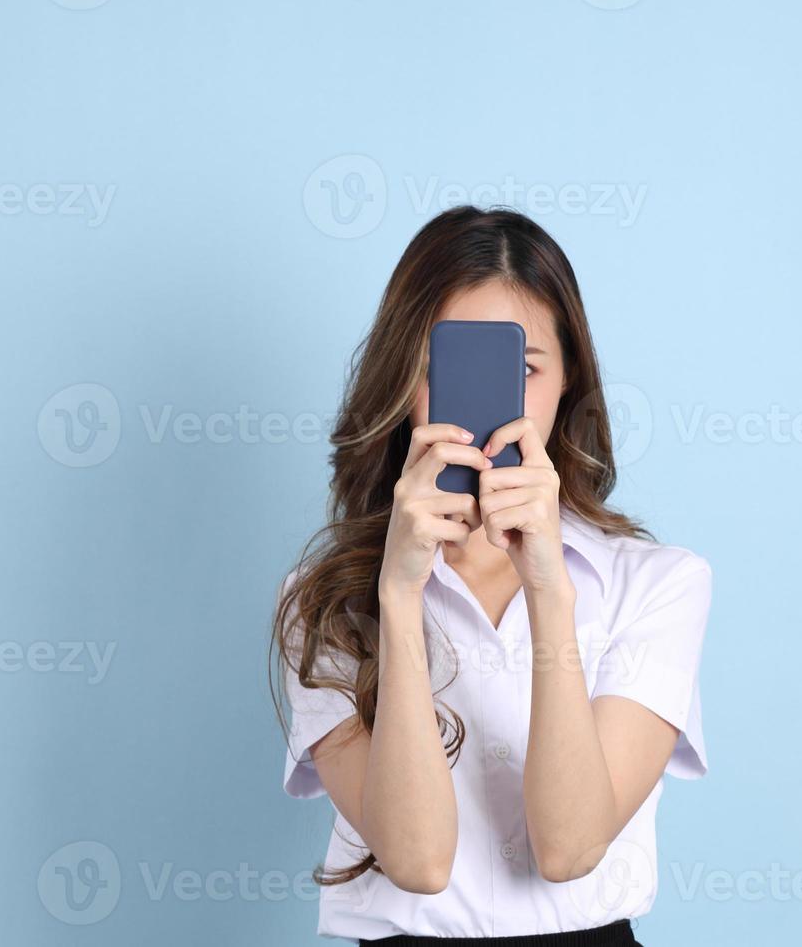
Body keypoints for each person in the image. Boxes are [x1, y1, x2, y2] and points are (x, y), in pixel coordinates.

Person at [273, 206, 712, 945]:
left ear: (570, 380)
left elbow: (570, 847)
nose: (487, 409)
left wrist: (547, 587)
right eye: (438, 370)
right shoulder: (324, 603)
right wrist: (399, 593)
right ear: (401, 382)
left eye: (524, 370)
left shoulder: (658, 585)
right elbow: (415, 862)